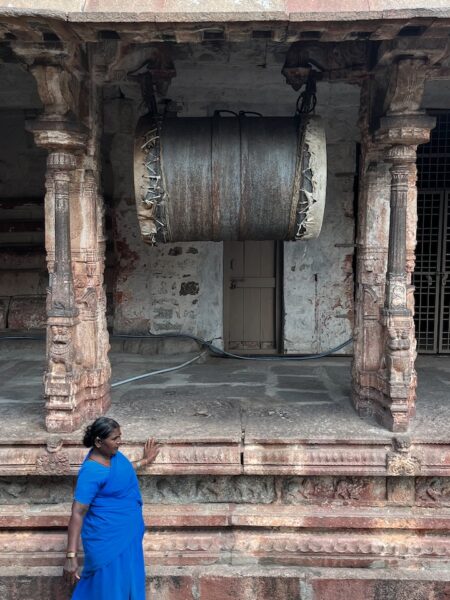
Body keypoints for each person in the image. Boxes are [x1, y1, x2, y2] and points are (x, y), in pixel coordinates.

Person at [63, 416, 159, 599]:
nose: (119, 442)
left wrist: (145, 461)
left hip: (128, 537)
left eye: (119, 437)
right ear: (99, 442)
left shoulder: (113, 456)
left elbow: (123, 472)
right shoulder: (91, 471)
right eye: (114, 439)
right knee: (109, 588)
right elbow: (77, 512)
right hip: (107, 541)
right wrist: (71, 556)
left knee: (127, 583)